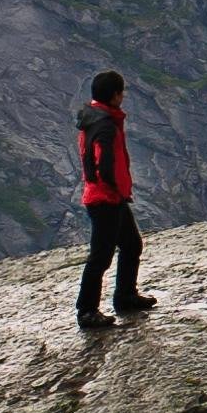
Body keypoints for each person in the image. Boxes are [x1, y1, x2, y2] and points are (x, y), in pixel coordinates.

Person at [75, 71, 154, 331]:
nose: (123, 96)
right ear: (114, 95)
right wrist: (115, 187)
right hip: (105, 198)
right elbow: (103, 163)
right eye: (121, 92)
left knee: (132, 244)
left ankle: (125, 296)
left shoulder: (93, 118)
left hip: (106, 197)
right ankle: (87, 311)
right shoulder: (105, 125)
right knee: (101, 256)